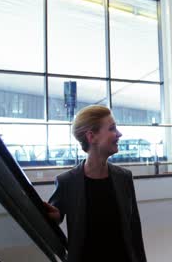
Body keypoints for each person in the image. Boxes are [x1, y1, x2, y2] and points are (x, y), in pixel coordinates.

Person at [43, 105, 146, 262]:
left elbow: (134, 230)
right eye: (112, 128)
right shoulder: (67, 182)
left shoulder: (124, 177)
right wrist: (54, 217)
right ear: (92, 137)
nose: (119, 134)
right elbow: (55, 218)